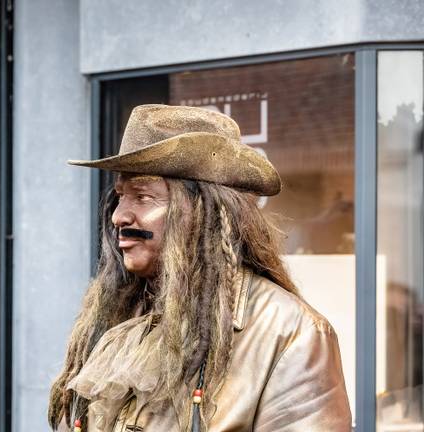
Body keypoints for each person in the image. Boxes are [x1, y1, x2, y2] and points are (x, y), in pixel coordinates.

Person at [48, 105, 351, 431]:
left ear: (203, 211)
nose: (119, 216)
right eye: (121, 196)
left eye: (143, 197)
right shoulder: (119, 318)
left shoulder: (291, 333)